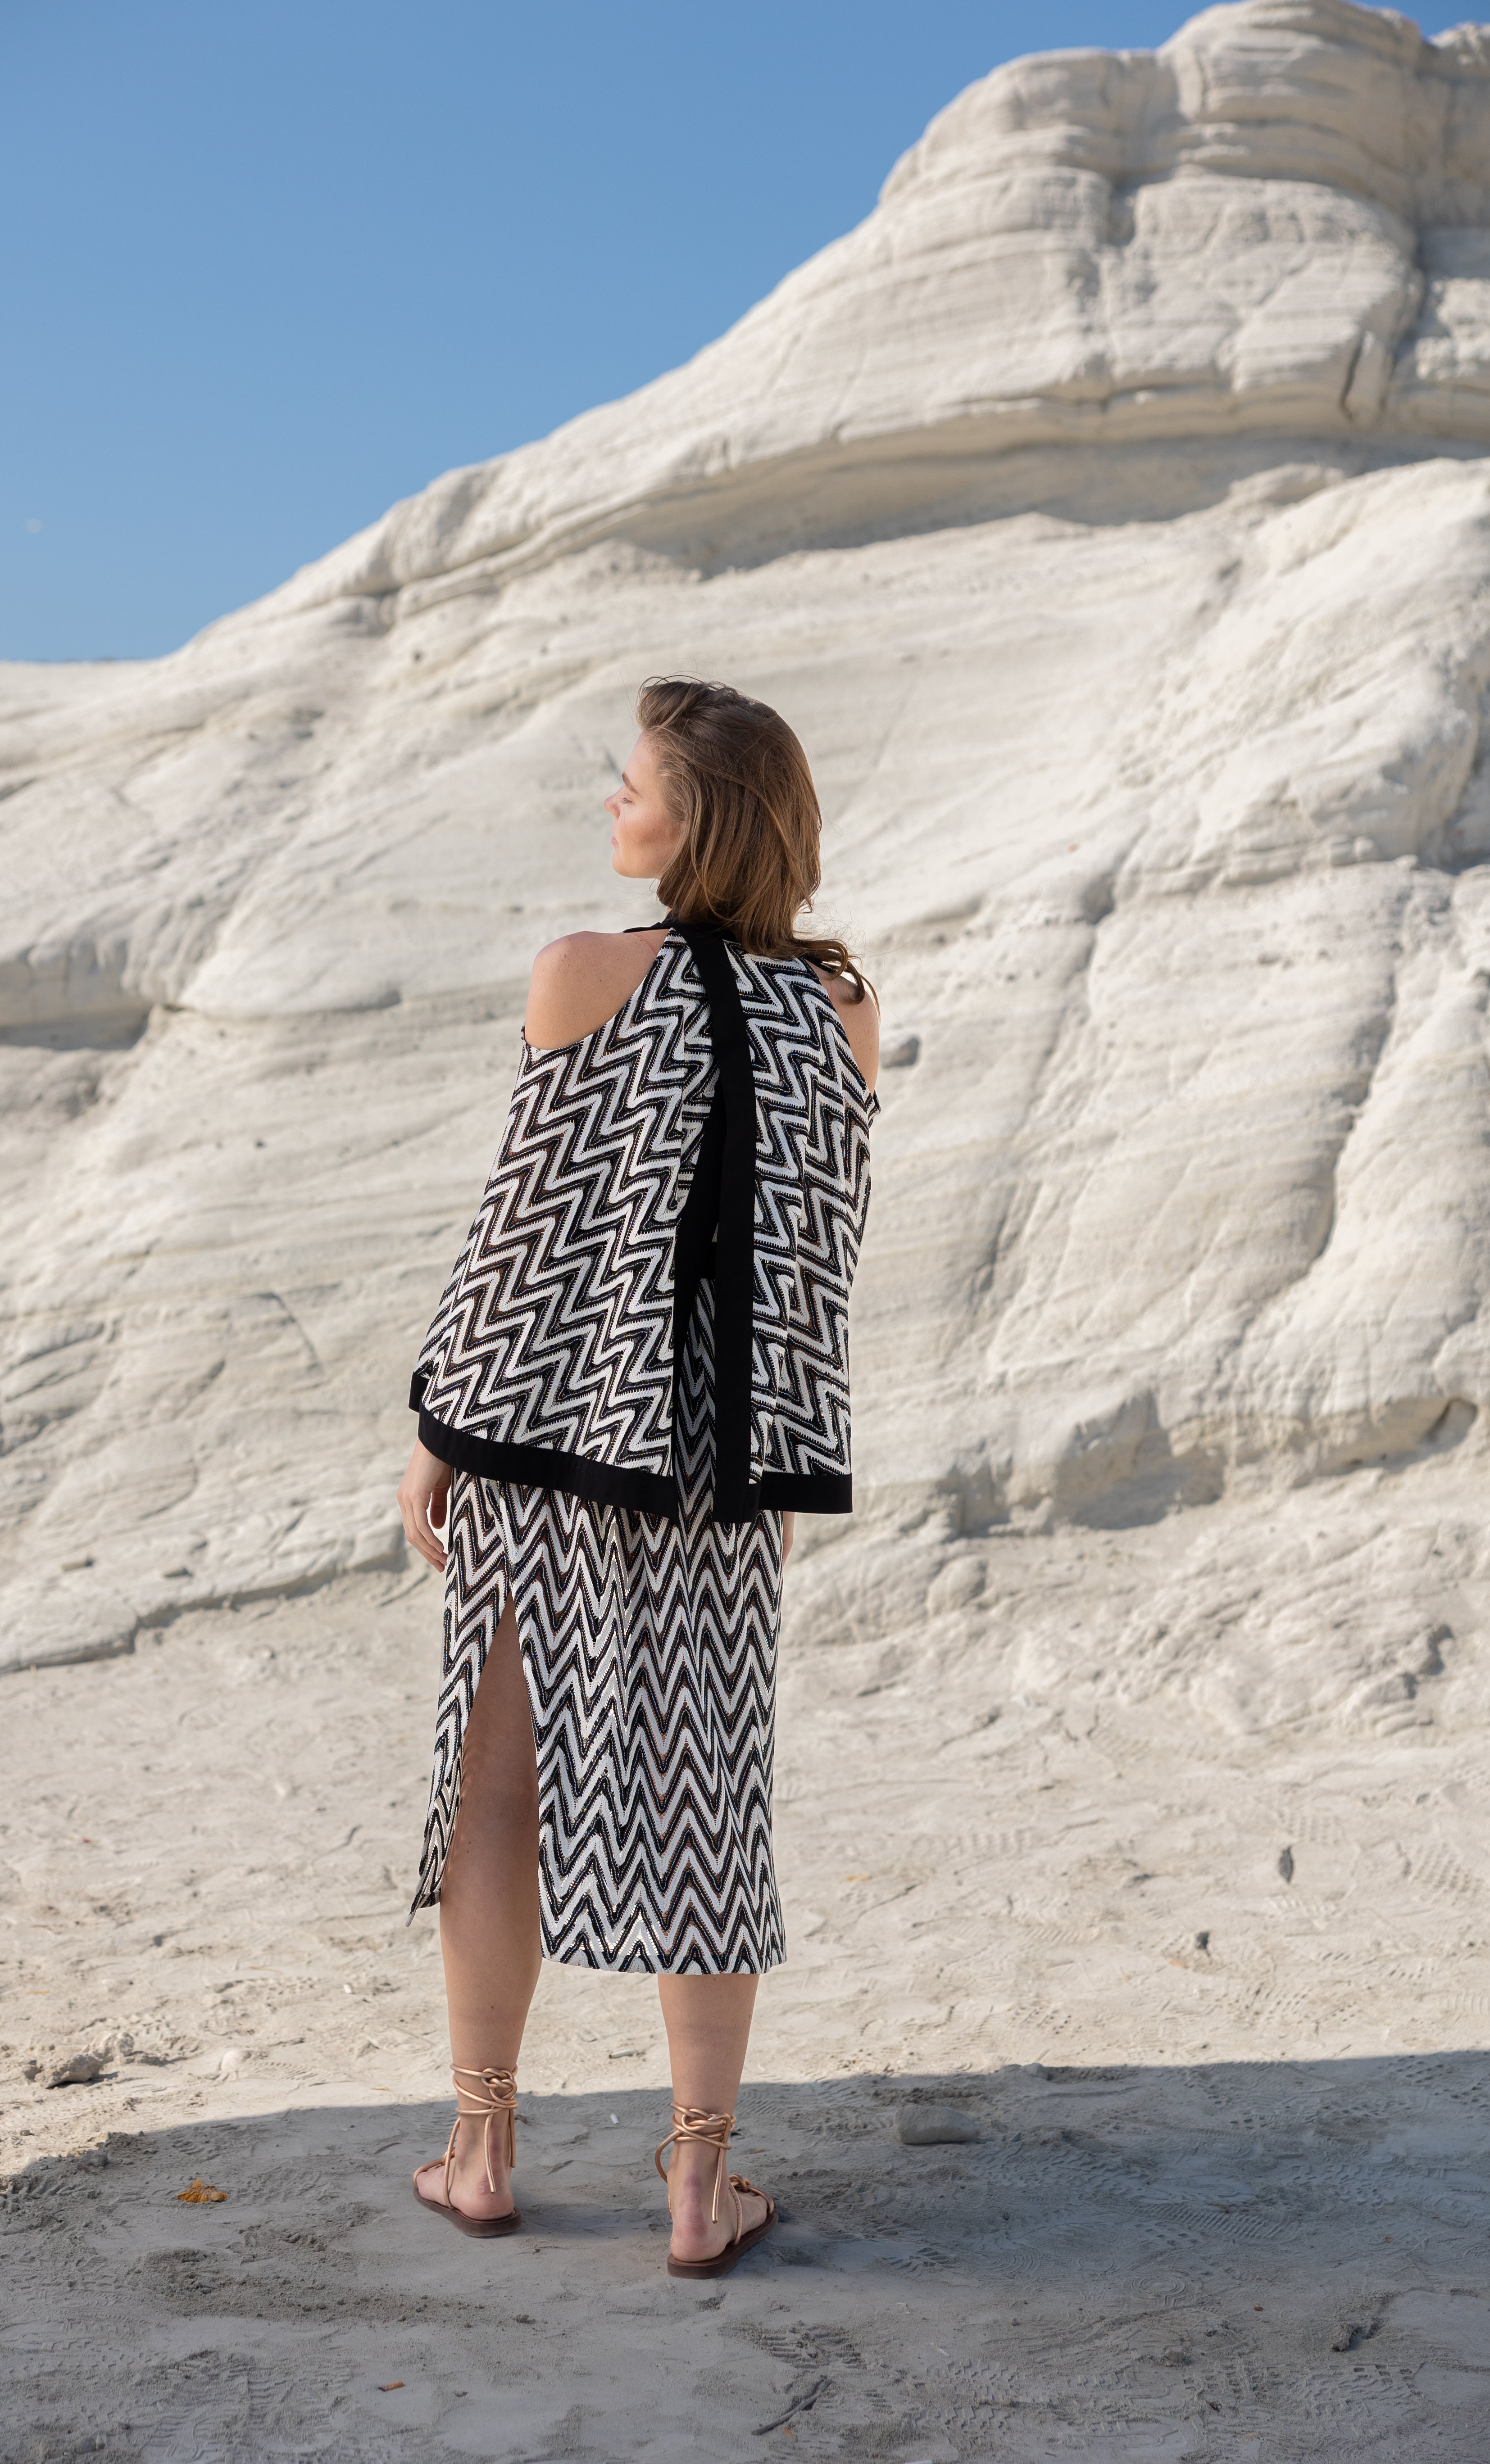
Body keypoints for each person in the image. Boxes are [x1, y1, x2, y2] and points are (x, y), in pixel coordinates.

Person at [396, 676, 880, 2277]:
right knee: (710, 1804)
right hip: (726, 1472)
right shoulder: (842, 1014)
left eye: (634, 783)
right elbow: (815, 1266)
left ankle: (483, 2151)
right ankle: (698, 2182)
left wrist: (437, 1437)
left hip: (542, 1450)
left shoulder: (582, 974)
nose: (613, 802)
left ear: (699, 817)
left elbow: (519, 1239)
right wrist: (779, 1473)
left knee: (499, 1788)